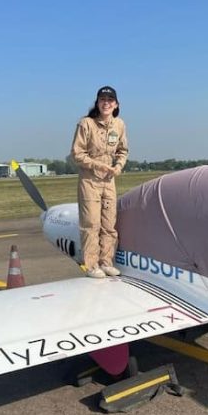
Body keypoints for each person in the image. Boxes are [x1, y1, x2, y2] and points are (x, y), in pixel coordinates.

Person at [71, 86, 129, 279]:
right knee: (91, 224)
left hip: (109, 181)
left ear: (116, 104)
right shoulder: (86, 124)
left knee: (109, 225)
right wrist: (99, 166)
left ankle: (106, 262)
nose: (106, 103)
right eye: (102, 99)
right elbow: (77, 154)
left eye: (110, 100)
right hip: (90, 180)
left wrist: (119, 166)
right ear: (97, 103)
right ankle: (91, 265)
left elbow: (123, 150)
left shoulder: (119, 125)